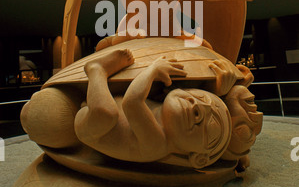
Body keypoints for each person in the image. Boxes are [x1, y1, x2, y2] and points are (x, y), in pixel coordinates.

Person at [74, 49, 232, 170]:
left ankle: (97, 70)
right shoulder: (166, 116)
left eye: (211, 126)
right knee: (106, 112)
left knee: (106, 114)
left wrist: (153, 69)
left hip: (92, 130)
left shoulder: (158, 144)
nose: (198, 106)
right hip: (96, 112)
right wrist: (216, 90)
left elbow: (132, 102)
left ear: (199, 158)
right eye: (202, 97)